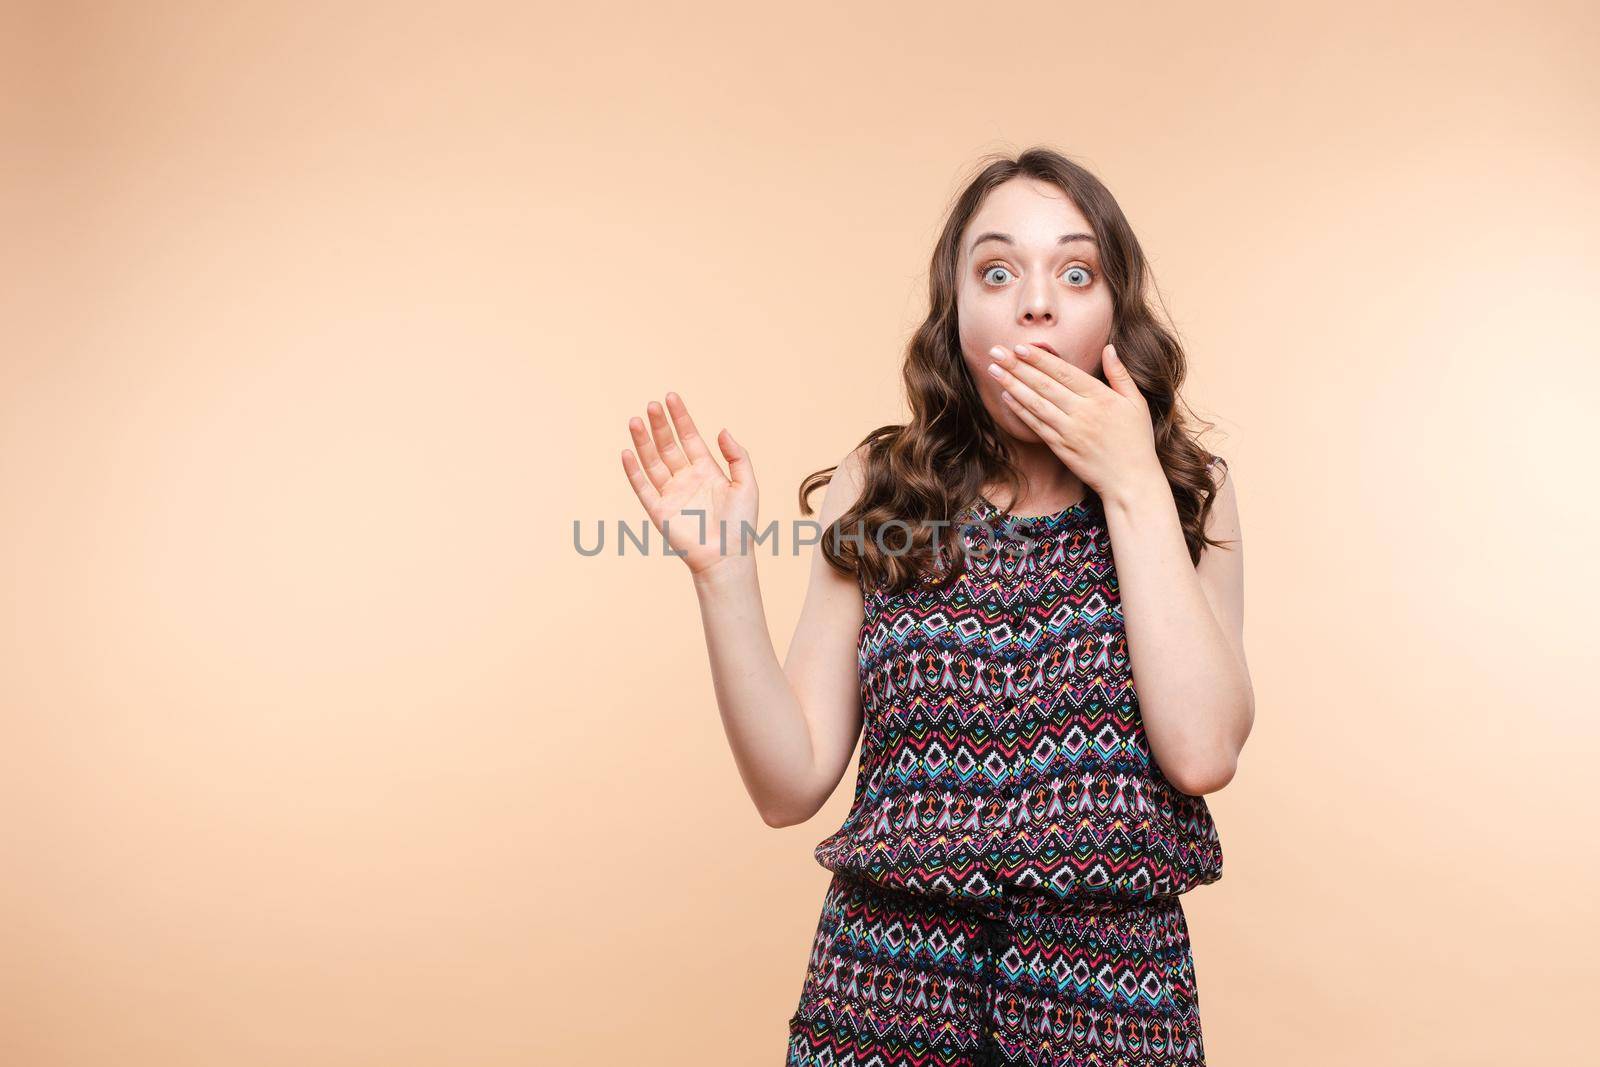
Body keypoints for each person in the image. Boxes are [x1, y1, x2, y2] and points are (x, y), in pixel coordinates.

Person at [619, 146, 1253, 1067]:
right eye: (998, 271)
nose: (1036, 301)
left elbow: (1203, 752)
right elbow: (788, 783)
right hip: (881, 996)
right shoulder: (880, 484)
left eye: (1076, 273)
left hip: (1113, 1009)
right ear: (957, 313)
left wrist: (1134, 486)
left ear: (1116, 311)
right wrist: (724, 579)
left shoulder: (1189, 489)